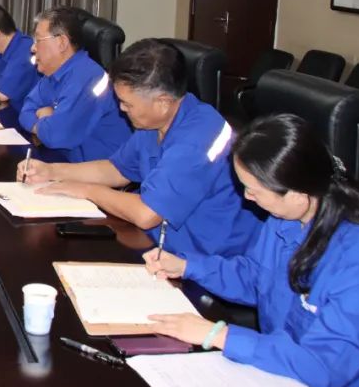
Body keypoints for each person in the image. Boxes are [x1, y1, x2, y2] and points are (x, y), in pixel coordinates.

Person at [145, 114, 359, 387]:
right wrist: (187, 267)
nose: (246, 198)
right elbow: (256, 277)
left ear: (297, 193)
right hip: (282, 383)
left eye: (253, 190)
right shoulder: (286, 217)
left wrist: (219, 335)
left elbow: (322, 368)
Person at [20, 39, 259, 257]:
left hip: (205, 259)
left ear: (162, 102)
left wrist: (86, 190)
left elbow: (147, 214)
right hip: (160, 245)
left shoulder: (197, 139)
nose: (122, 109)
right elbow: (116, 169)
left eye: (127, 104)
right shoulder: (155, 121)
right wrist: (52, 171)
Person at [17, 7, 131, 161]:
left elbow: (55, 136)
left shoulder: (88, 77)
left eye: (38, 40)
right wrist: (45, 123)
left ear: (62, 42)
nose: (33, 48)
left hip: (96, 169)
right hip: (64, 161)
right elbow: (26, 111)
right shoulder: (53, 73)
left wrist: (42, 119)